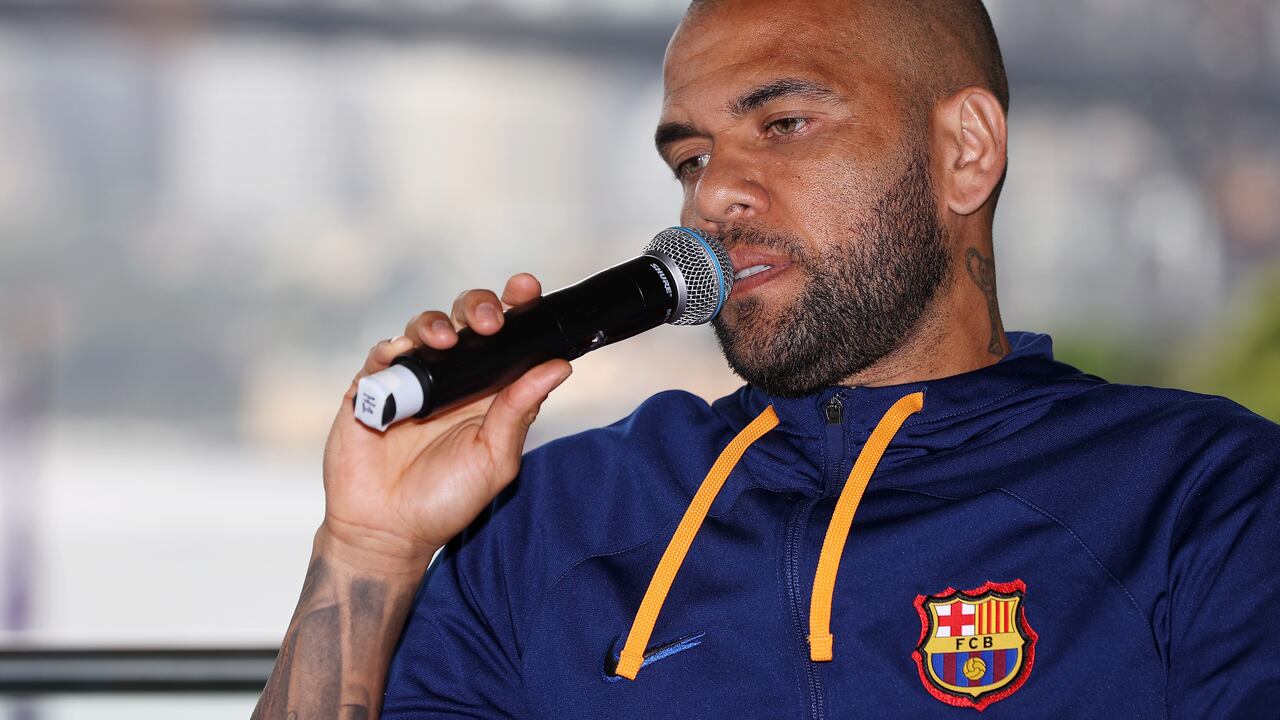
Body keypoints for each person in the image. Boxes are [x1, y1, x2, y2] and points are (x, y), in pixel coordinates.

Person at [252, 0, 1280, 717]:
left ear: (964, 151)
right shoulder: (549, 520)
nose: (712, 198)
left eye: (782, 124)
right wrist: (369, 546)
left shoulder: (1201, 495)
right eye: (689, 158)